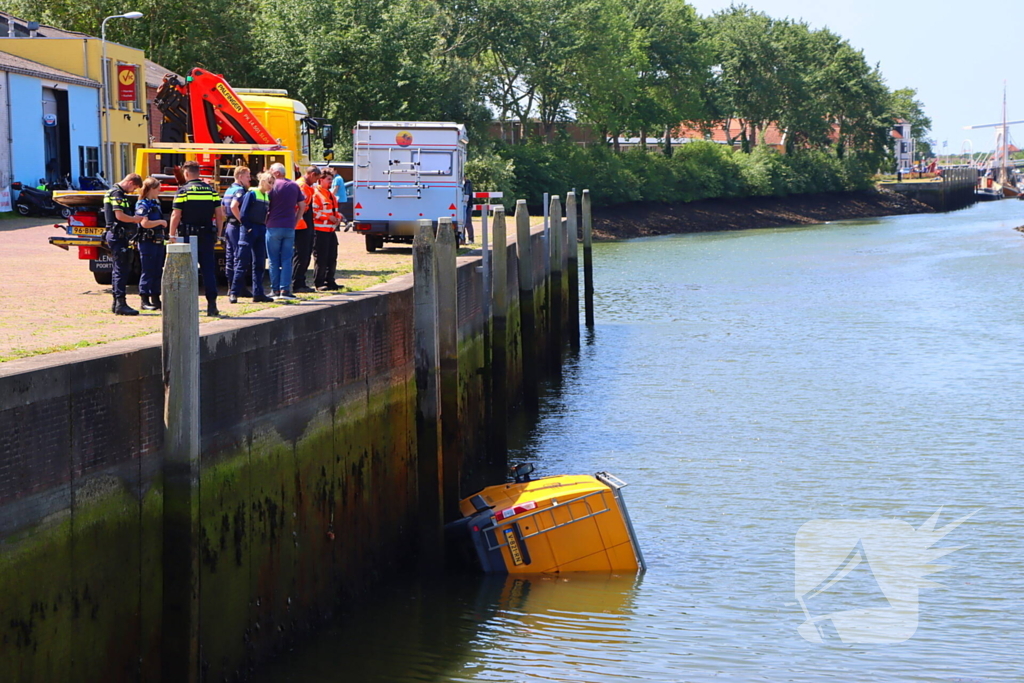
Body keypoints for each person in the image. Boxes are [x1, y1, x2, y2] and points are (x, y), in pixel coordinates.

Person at [168, 160, 225, 317]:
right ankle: (212, 305)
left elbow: (176, 215)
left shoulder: (183, 192)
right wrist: (219, 234)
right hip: (207, 236)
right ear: (198, 173)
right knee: (208, 271)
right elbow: (219, 215)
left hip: (188, 236)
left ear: (186, 174)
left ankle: (188, 306)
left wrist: (172, 234)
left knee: (187, 271)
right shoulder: (211, 191)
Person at [103, 173, 145, 316]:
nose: (132, 191)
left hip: (116, 234)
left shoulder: (112, 191)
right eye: (134, 188)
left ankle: (117, 303)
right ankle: (120, 303)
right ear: (131, 182)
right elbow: (119, 216)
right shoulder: (117, 193)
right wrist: (135, 220)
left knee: (118, 269)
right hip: (118, 235)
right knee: (121, 269)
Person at [266, 162, 305, 300]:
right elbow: (302, 205)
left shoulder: (271, 186)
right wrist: (296, 221)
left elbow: (265, 205)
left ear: (276, 173)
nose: (269, 174)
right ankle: (285, 290)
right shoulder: (294, 185)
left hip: (273, 226)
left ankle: (275, 290)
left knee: (273, 260)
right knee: (287, 259)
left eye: (270, 171)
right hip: (289, 227)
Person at [238, 171, 275, 303]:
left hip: (260, 229)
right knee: (242, 261)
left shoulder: (266, 196)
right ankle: (234, 292)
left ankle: (258, 293)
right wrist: (248, 227)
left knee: (259, 263)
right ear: (263, 181)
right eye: (269, 182)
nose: (271, 186)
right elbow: (243, 213)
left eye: (272, 183)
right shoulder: (252, 194)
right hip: (250, 229)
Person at [134, 177, 167, 311]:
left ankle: (156, 298)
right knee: (148, 271)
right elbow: (144, 223)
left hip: (158, 241)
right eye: (158, 188)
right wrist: (160, 222)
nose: (160, 191)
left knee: (158, 270)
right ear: (151, 189)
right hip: (147, 242)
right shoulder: (143, 204)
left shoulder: (155, 203)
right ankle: (144, 299)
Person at [222, 165, 253, 302]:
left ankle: (232, 287)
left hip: (229, 225)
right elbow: (234, 206)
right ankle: (239, 288)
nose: (249, 179)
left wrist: (227, 220)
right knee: (239, 257)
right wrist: (243, 220)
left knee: (230, 257)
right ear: (240, 177)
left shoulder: (229, 189)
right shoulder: (240, 190)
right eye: (247, 176)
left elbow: (223, 207)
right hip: (236, 226)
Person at [292, 166, 320, 293]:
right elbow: (301, 206)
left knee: (304, 253)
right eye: (316, 178)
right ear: (311, 174)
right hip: (301, 224)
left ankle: (299, 281)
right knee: (302, 254)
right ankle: (297, 283)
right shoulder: (302, 186)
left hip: (304, 223)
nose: (315, 182)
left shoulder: (305, 186)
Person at [312, 171, 342, 291]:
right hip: (320, 230)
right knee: (321, 257)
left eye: (331, 179)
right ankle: (319, 283)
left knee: (332, 256)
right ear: (321, 180)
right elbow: (314, 212)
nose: (331, 182)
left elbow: (334, 210)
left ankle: (330, 281)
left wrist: (338, 218)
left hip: (330, 230)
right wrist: (328, 217)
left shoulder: (330, 194)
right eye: (328, 179)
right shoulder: (316, 194)